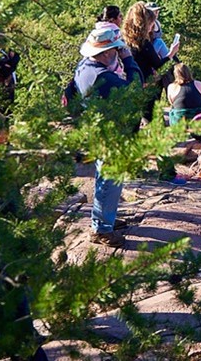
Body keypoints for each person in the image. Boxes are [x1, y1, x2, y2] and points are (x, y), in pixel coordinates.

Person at [72, 26, 142, 246]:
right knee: (110, 179)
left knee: (105, 177)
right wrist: (129, 60)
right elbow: (136, 89)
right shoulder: (103, 76)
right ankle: (101, 228)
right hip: (111, 134)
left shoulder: (84, 66)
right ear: (104, 53)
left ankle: (104, 219)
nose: (118, 54)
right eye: (115, 50)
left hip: (96, 128)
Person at [122, 1, 180, 81]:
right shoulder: (144, 44)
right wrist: (171, 53)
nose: (151, 27)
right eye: (150, 24)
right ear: (144, 24)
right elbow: (159, 66)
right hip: (144, 83)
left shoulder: (124, 40)